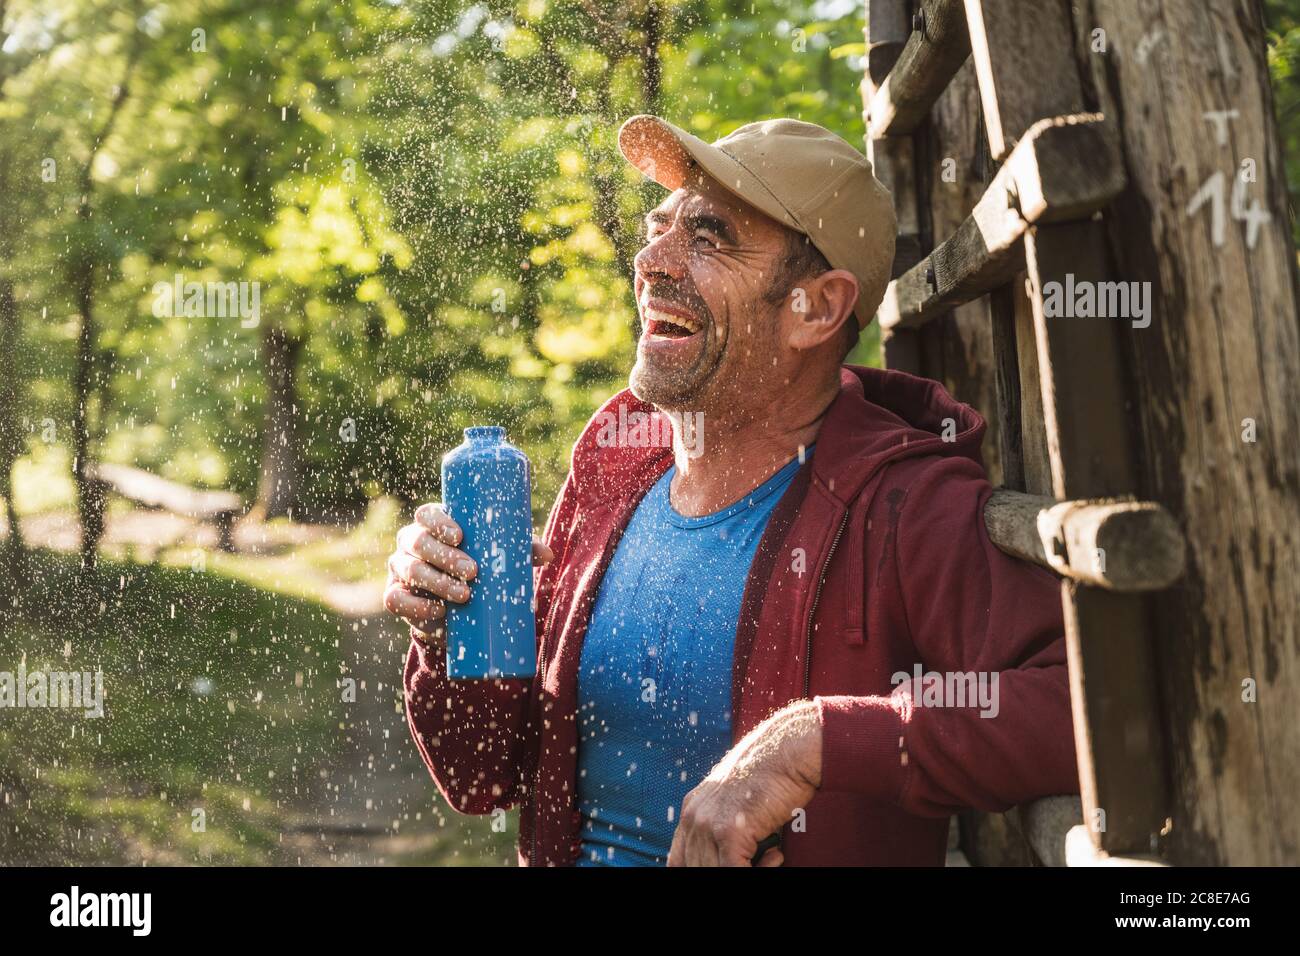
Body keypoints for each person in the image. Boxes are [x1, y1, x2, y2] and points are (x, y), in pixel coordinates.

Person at [383, 115, 1079, 866]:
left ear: (817, 307)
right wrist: (444, 629)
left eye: (708, 237)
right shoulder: (611, 462)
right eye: (660, 227)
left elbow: (1080, 708)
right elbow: (482, 775)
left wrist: (811, 742)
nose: (651, 258)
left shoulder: (906, 503)